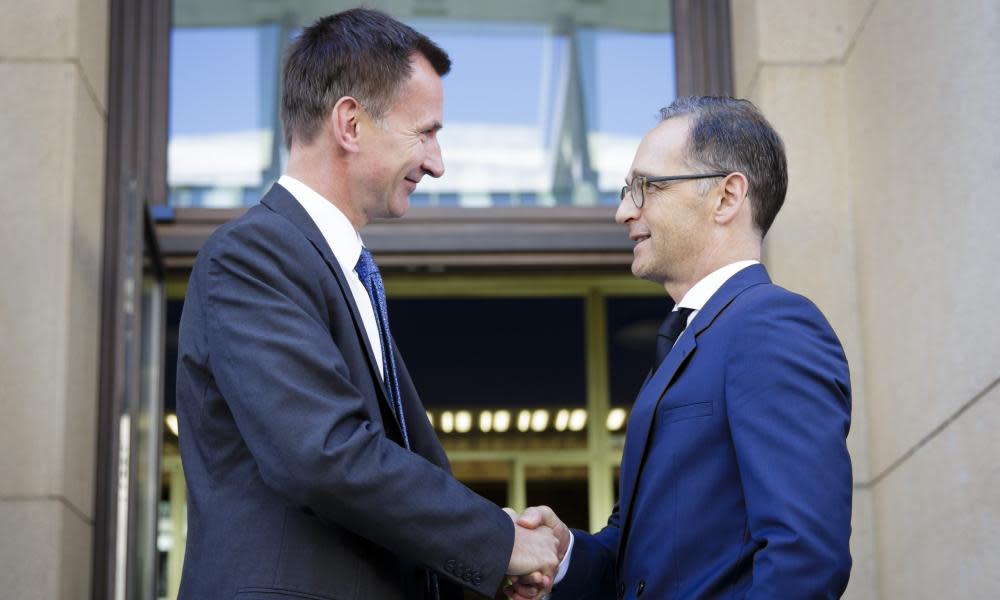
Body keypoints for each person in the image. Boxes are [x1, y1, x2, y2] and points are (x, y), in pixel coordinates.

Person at [174, 9, 559, 600]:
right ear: (350, 124)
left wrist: (486, 557)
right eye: (424, 132)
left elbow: (377, 488)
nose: (436, 162)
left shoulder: (337, 268)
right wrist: (496, 542)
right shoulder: (252, 257)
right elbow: (324, 456)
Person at [508, 96, 853, 599]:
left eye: (647, 187)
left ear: (726, 197)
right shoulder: (690, 342)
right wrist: (564, 558)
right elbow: (638, 559)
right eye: (629, 191)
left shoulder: (772, 326)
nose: (624, 211)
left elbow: (804, 558)